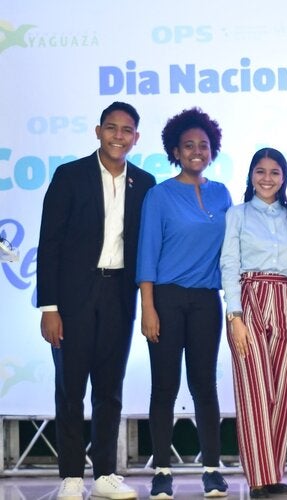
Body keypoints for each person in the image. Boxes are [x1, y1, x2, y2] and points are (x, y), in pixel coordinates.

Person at [37, 101, 155, 500]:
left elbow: (148, 244)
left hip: (119, 293)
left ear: (136, 138)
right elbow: (49, 244)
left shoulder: (145, 182)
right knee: (71, 388)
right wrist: (49, 307)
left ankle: (105, 473)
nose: (118, 136)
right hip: (72, 299)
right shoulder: (69, 176)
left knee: (110, 386)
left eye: (126, 131)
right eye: (111, 128)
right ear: (98, 131)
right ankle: (71, 475)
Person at [136, 107, 232, 499]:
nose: (197, 151)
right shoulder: (159, 194)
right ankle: (162, 471)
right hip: (167, 300)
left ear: (213, 150)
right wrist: (149, 307)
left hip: (207, 301)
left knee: (204, 386)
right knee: (165, 387)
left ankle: (212, 468)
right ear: (175, 150)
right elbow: (147, 253)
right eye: (189, 145)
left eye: (203, 145)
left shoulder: (221, 193)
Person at [219, 148, 287, 498]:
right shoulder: (237, 214)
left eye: (274, 172)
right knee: (255, 391)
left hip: (284, 301)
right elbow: (228, 264)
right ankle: (259, 480)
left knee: (280, 393)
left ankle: (274, 473)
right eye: (260, 171)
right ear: (251, 175)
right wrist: (235, 316)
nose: (267, 178)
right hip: (249, 299)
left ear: (284, 177)